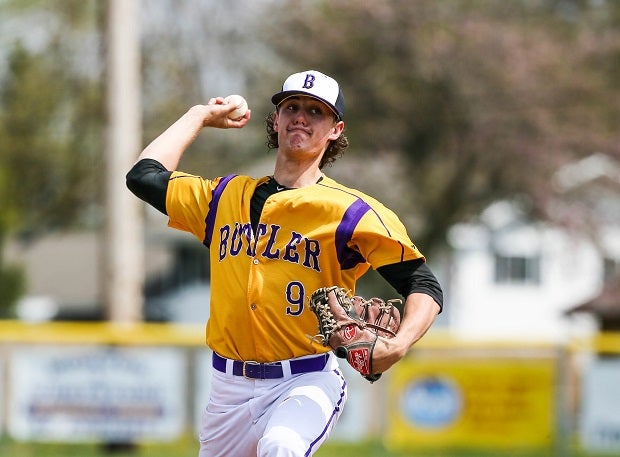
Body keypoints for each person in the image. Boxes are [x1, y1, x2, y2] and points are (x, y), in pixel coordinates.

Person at [126, 70, 443, 457]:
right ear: (275, 121)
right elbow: (144, 176)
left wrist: (400, 342)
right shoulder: (223, 197)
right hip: (227, 391)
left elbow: (422, 283)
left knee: (282, 446)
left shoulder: (350, 211)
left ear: (334, 130)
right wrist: (199, 116)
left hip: (304, 380)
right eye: (291, 107)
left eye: (316, 111)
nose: (301, 117)